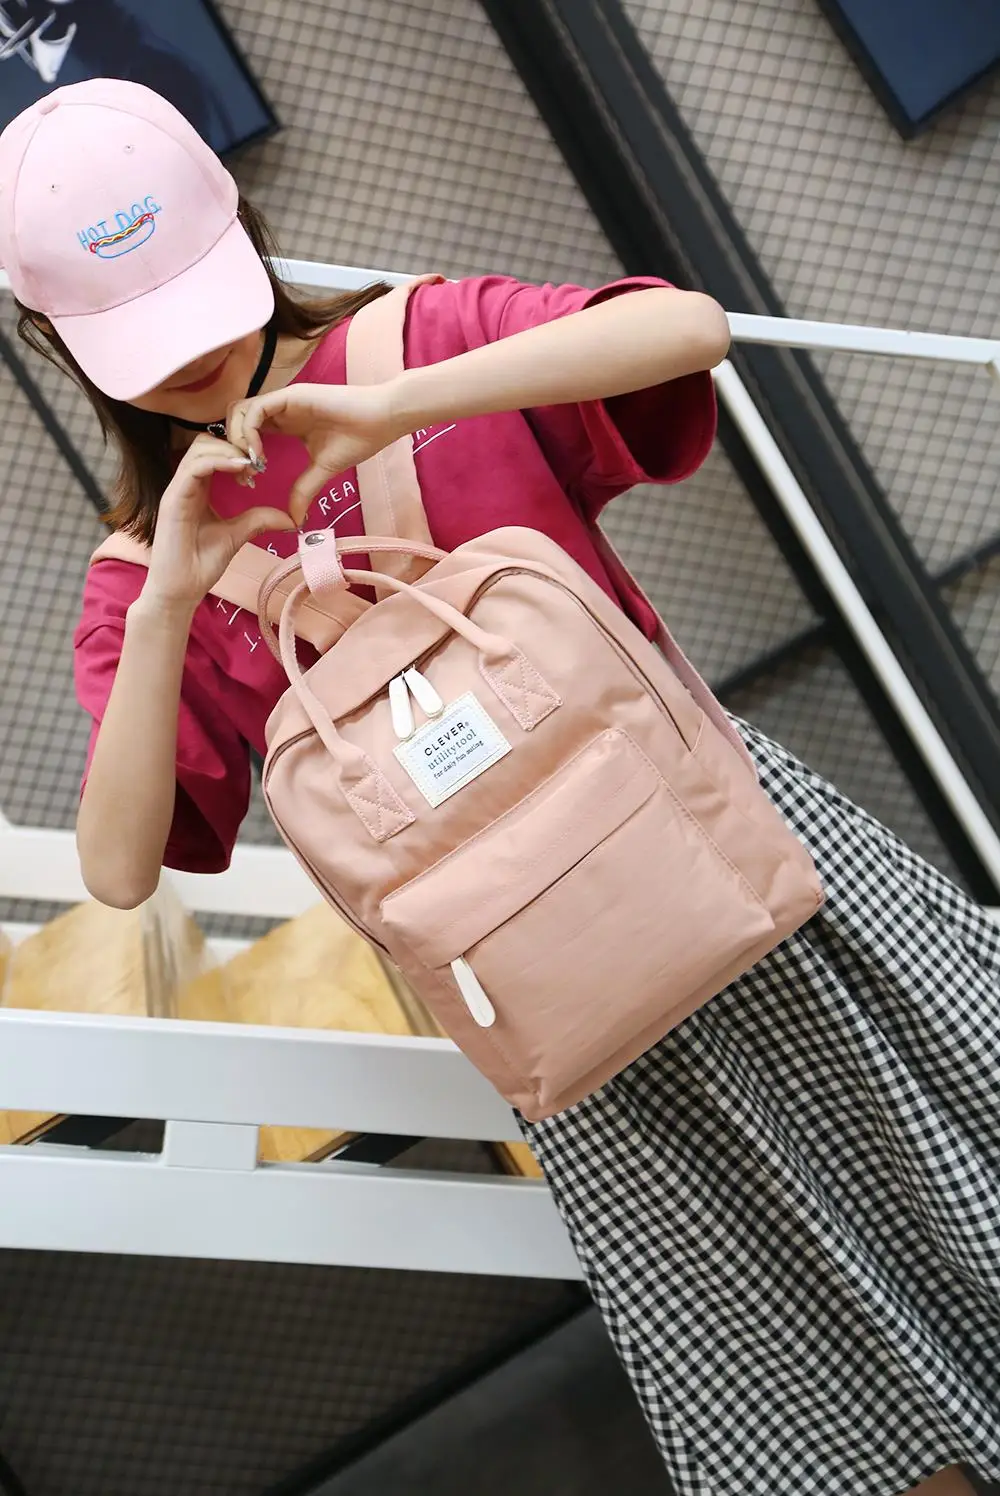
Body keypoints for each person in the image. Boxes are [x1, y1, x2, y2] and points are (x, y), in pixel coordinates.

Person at [2, 77, 998, 1496]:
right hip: (563, 1007)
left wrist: (389, 408)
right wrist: (169, 595)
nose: (198, 357)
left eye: (200, 299)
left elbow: (685, 329)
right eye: (143, 337)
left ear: (246, 232)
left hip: (737, 876)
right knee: (807, 1375)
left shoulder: (415, 344)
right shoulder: (136, 586)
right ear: (54, 340)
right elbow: (118, 869)